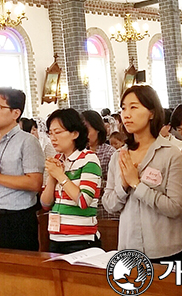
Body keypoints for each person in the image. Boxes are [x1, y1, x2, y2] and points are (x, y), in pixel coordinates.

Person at [102, 85, 182, 263]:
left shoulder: (170, 154)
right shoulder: (119, 156)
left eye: (134, 107)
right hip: (130, 250)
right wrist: (124, 185)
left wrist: (137, 184)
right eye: (123, 108)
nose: (126, 114)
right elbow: (109, 204)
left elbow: (175, 207)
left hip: (166, 250)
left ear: (151, 112)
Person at [0, 87, 44, 251]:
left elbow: (35, 183)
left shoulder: (28, 142)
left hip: (18, 219)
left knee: (20, 272)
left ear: (15, 113)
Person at [41, 109, 102, 254]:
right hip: (56, 237)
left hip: (81, 239)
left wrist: (61, 177)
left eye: (58, 132)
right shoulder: (58, 160)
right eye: (50, 133)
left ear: (75, 133)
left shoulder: (89, 159)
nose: (53, 138)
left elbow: (83, 201)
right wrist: (52, 177)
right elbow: (45, 204)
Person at [81, 110, 117, 220]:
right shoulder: (80, 153)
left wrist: (92, 182)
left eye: (87, 130)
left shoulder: (109, 153)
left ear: (97, 129)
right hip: (85, 210)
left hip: (104, 209)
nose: (84, 135)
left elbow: (116, 183)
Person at [22, 117, 57, 185]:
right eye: (31, 130)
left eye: (34, 130)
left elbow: (49, 167)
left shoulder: (47, 145)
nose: (32, 132)